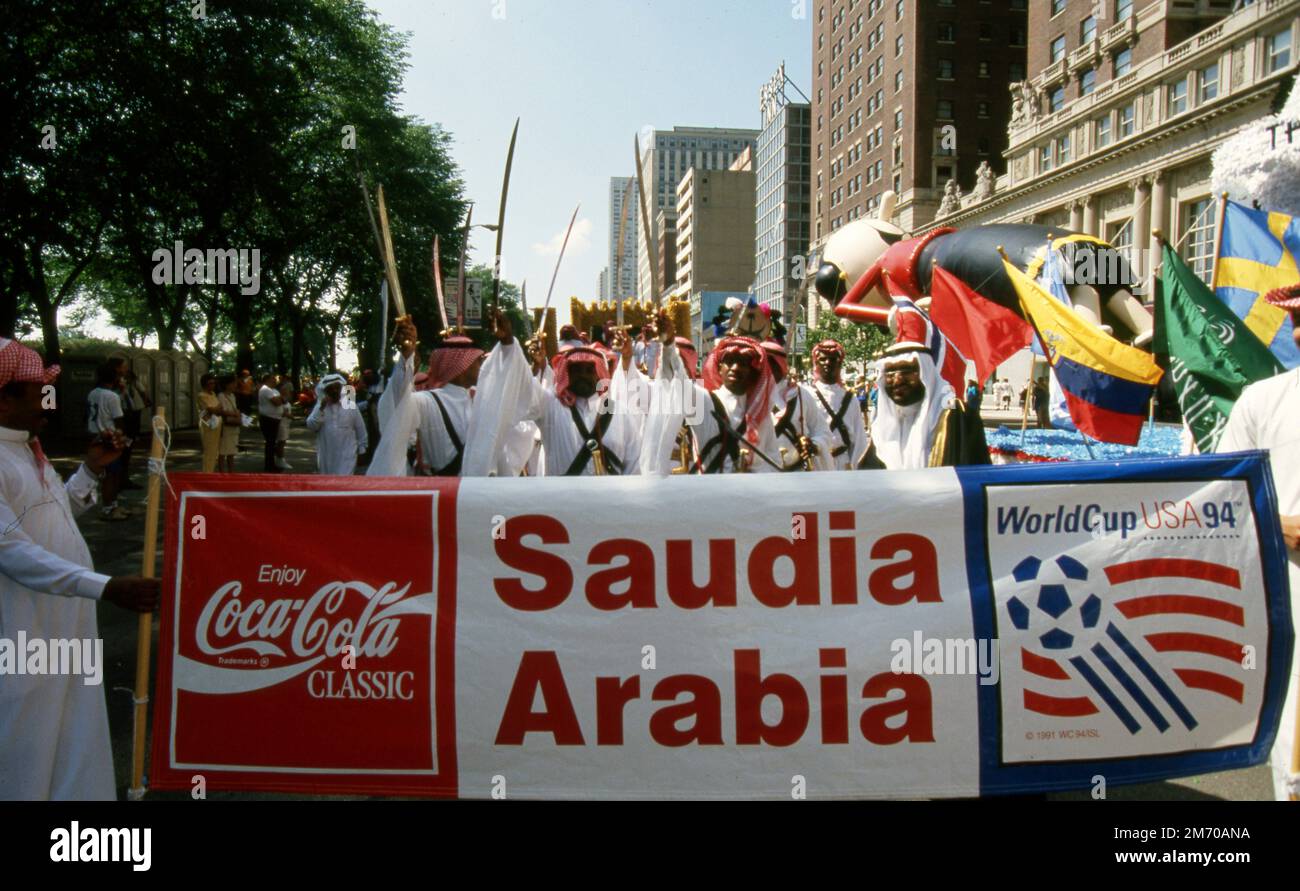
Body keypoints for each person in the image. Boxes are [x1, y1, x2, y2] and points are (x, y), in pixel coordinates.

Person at [0, 337, 160, 800]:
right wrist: (104, 587)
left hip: (65, 624)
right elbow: (11, 548)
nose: (47, 401)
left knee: (73, 731)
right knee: (25, 743)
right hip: (24, 630)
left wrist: (90, 471)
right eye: (38, 391)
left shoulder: (25, 447)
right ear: (5, 397)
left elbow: (53, 516)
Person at [1216, 290, 1300, 801]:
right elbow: (1226, 496)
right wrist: (1278, 522)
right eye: (1297, 319)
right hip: (1289, 598)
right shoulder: (1263, 400)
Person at [464, 310, 641, 476]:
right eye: (576, 370)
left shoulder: (620, 413)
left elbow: (633, 468)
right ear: (566, 374)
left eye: (589, 370)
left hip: (609, 505)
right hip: (560, 506)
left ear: (599, 375)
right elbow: (523, 385)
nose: (583, 375)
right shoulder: (549, 405)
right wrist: (509, 343)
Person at [641, 312, 787, 474]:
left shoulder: (761, 414)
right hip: (707, 495)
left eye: (743, 363)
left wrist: (751, 472)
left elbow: (774, 462)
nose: (735, 368)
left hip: (748, 496)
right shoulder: (703, 401)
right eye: (729, 362)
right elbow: (675, 381)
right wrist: (668, 344)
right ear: (719, 368)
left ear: (753, 372)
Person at [862, 322, 990, 470]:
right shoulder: (882, 427)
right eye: (889, 373)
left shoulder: (953, 415)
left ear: (926, 373)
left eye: (906, 370)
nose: (897, 380)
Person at [368, 318, 485, 477]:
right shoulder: (426, 401)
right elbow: (398, 403)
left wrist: (508, 345)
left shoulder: (481, 399)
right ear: (462, 367)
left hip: (480, 491)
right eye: (477, 361)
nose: (481, 367)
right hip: (444, 493)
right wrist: (406, 358)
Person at [763, 340, 833, 471]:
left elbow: (823, 432)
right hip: (760, 476)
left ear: (781, 365)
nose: (766, 368)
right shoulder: (749, 397)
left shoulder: (801, 395)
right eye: (762, 364)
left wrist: (814, 445)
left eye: (771, 363)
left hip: (797, 473)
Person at [810, 339, 869, 470]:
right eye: (823, 359)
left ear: (840, 363)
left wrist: (857, 470)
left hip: (842, 464)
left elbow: (859, 439)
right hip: (816, 464)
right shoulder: (807, 396)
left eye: (833, 359)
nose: (828, 363)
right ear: (815, 363)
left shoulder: (850, 398)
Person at [86, 363, 128, 520]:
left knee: (110, 473)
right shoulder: (112, 396)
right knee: (111, 475)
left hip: (95, 434)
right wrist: (122, 436)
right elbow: (119, 418)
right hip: (109, 437)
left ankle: (113, 505)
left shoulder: (93, 393)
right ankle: (108, 508)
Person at [304, 373, 367, 476]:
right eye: (330, 388)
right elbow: (311, 426)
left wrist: (362, 450)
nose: (334, 391)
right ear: (325, 391)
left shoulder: (351, 406)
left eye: (337, 388)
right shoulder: (320, 407)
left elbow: (361, 429)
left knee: (345, 482)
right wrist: (321, 409)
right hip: (327, 454)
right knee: (328, 484)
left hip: (348, 454)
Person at [256, 373, 283, 473]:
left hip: (274, 419)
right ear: (267, 379)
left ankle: (271, 464)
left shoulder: (273, 390)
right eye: (273, 378)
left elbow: (282, 400)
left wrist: (281, 398)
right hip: (268, 419)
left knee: (272, 443)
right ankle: (269, 466)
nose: (275, 380)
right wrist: (281, 397)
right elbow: (277, 402)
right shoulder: (265, 389)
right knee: (270, 443)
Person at [196, 372, 223, 473]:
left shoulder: (213, 394)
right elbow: (212, 409)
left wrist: (217, 409)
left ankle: (211, 471)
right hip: (208, 425)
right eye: (210, 383)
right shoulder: (202, 395)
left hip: (217, 424)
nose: (213, 385)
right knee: (209, 450)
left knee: (215, 450)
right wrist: (217, 408)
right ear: (205, 384)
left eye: (214, 383)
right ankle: (207, 472)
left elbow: (219, 408)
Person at [216, 375, 242, 473]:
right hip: (226, 426)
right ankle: (222, 472)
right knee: (223, 451)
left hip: (233, 426)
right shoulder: (221, 396)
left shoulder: (232, 396)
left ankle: (231, 472)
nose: (235, 385)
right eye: (233, 383)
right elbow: (222, 411)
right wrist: (235, 414)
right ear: (227, 385)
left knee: (231, 451)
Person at [275, 374, 294, 470]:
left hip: (286, 424)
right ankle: (280, 459)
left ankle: (280, 458)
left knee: (283, 442)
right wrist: (289, 416)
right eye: (286, 392)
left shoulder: (287, 402)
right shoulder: (280, 402)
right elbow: (282, 413)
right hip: (281, 424)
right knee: (281, 442)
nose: (289, 394)